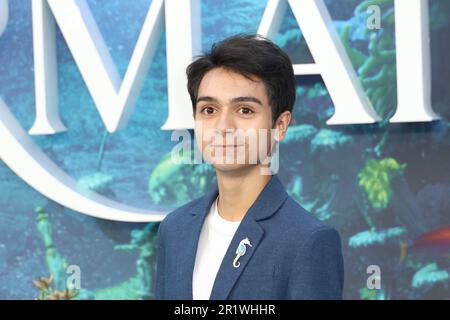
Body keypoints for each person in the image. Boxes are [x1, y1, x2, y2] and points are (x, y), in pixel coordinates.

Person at [155, 34, 344, 300]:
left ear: (280, 125)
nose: (223, 128)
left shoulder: (308, 240)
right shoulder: (174, 228)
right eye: (209, 110)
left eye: (244, 110)